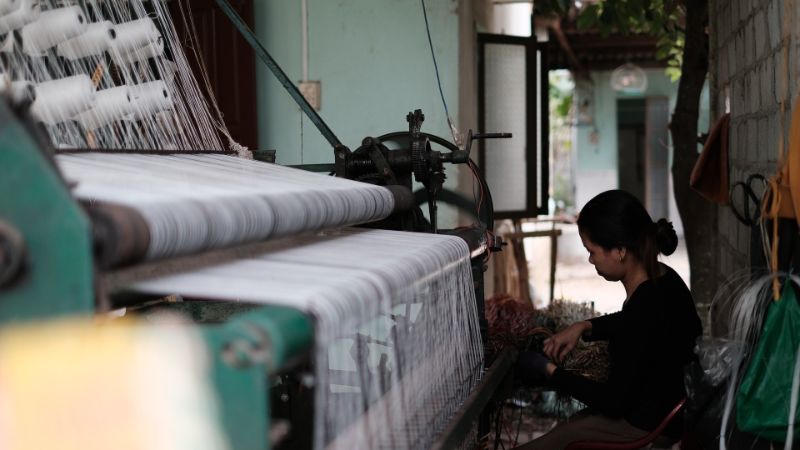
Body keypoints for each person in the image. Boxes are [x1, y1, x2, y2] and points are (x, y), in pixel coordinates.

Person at [514, 190, 702, 449]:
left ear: (620, 251)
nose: (590, 260)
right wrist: (585, 326)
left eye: (592, 251)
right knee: (566, 429)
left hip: (646, 423)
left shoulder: (643, 307)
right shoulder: (663, 278)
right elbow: (636, 322)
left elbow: (612, 402)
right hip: (666, 408)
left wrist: (549, 371)